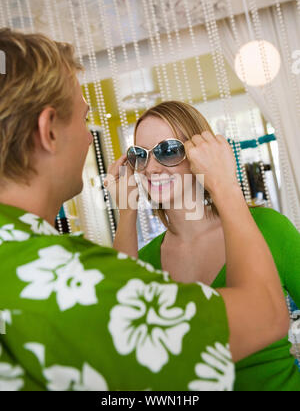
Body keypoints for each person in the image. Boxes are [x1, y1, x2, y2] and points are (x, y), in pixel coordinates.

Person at [0, 29, 288, 392]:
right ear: (49, 132)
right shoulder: (66, 272)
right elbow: (265, 315)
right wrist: (225, 186)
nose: (91, 137)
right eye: (84, 119)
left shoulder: (34, 262)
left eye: (167, 150)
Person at [109, 101, 300, 391]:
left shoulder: (269, 228)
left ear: (201, 154)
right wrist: (126, 212)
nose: (149, 167)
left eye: (168, 150)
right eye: (139, 155)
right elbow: (121, 348)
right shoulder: (141, 262)